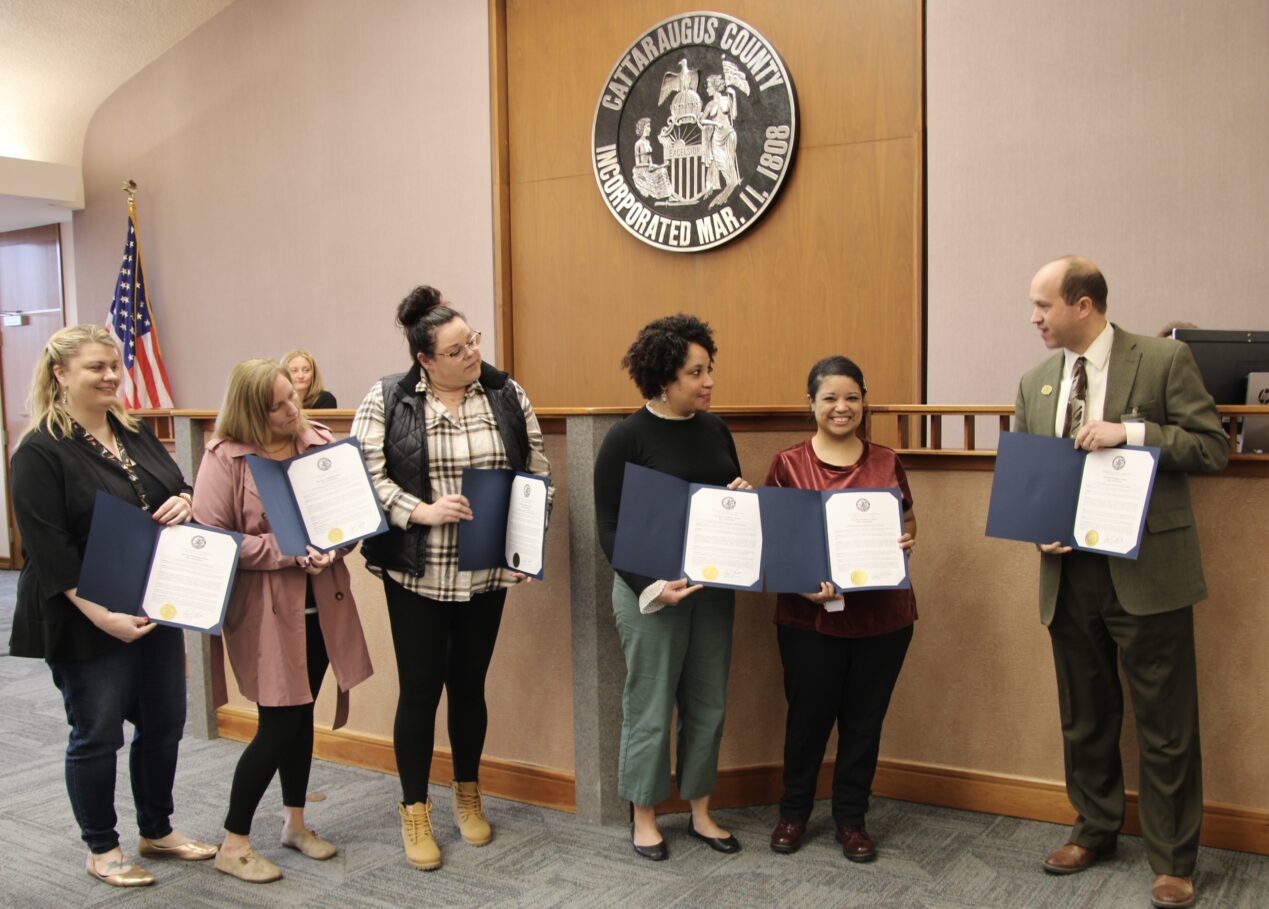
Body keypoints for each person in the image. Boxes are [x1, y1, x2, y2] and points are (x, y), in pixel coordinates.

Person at [1015, 256, 1227, 909]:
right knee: (1084, 714)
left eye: (1043, 305)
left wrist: (1129, 433)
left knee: (1165, 722)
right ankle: (1094, 827)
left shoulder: (1161, 363)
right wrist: (1036, 524)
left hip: (1145, 572)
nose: (1034, 318)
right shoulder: (1036, 382)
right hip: (1069, 572)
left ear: (1083, 304)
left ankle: (1171, 859)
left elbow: (1211, 446)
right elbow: (1030, 474)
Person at [352, 285, 552, 871]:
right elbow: (366, 475)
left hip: (485, 569)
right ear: (425, 359)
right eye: (457, 348)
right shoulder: (387, 398)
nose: (472, 355)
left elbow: (534, 469)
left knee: (469, 686)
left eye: (474, 341)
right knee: (420, 691)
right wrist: (420, 510)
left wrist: (527, 544)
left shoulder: (506, 393)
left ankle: (468, 792)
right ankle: (414, 807)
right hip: (416, 571)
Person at [9, 324, 215, 887]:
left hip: (150, 603)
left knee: (165, 723)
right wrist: (100, 614)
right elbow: (49, 550)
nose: (109, 376)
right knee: (98, 732)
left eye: (114, 365)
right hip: (83, 612)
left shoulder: (134, 429)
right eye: (94, 367)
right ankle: (102, 847)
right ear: (60, 374)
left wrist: (185, 500)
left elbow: (176, 485)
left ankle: (158, 828)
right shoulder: (39, 450)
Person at [193, 359, 373, 883]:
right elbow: (214, 537)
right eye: (277, 405)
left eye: (292, 397)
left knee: (302, 718)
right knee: (277, 725)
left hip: (323, 605)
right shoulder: (226, 458)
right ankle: (234, 841)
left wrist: (337, 541)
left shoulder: (317, 441)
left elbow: (351, 516)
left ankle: (294, 822)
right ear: (252, 410)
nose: (293, 409)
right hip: (268, 611)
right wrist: (289, 551)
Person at [593, 313, 751, 862]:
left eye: (710, 369)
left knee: (708, 702)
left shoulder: (716, 428)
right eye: (696, 372)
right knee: (651, 703)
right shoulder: (627, 437)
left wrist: (737, 496)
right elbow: (608, 528)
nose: (708, 382)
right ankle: (644, 814)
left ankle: (701, 811)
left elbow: (723, 502)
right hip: (650, 594)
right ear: (664, 377)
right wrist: (652, 586)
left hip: (711, 589)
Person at [764, 356, 916, 861]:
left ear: (864, 401)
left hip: (884, 618)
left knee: (864, 722)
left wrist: (905, 540)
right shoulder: (787, 464)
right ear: (811, 404)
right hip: (811, 620)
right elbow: (775, 543)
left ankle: (852, 819)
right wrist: (800, 582)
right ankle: (793, 813)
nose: (841, 407)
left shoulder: (887, 459)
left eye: (851, 397)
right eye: (829, 397)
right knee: (807, 720)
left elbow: (908, 520)